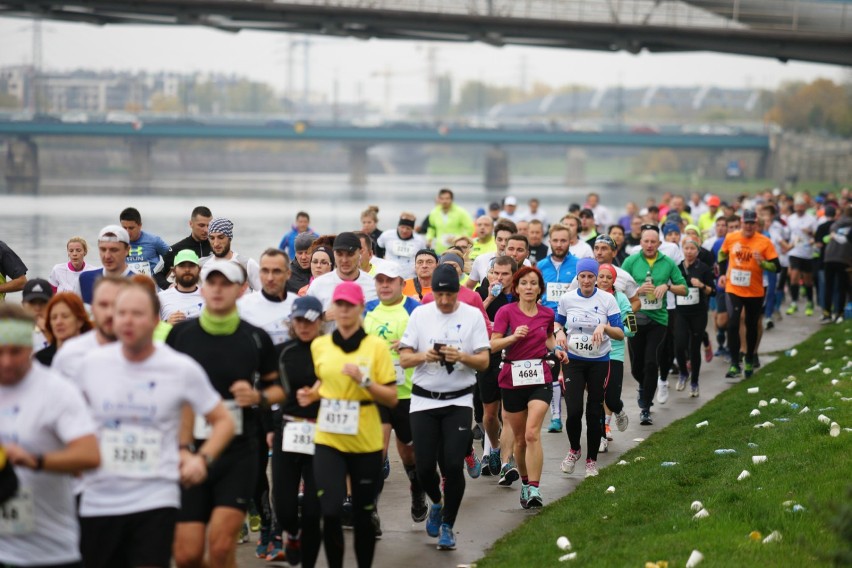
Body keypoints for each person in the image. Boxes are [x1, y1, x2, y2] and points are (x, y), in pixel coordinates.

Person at [72, 282, 235, 568]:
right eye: (122, 313)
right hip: (99, 497)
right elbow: (71, 421)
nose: (128, 320)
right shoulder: (90, 365)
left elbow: (223, 420)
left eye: (137, 313)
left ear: (154, 319)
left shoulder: (180, 367)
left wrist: (202, 459)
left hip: (156, 496)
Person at [167, 259, 284, 568]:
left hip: (239, 450)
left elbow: (278, 390)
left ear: (240, 290)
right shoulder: (180, 336)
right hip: (190, 451)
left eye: (226, 284)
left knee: (220, 550)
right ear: (203, 290)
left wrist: (258, 396)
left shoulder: (255, 337)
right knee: (187, 555)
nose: (218, 290)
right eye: (212, 283)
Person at [298, 281, 397, 567]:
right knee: (330, 511)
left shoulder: (376, 347)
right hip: (329, 438)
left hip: (365, 439)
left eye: (349, 305)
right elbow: (324, 381)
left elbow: (391, 397)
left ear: (360, 309)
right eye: (338, 305)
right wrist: (311, 394)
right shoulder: (320, 345)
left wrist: (364, 381)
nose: (343, 311)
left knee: (363, 513)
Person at [0, 303, 100, 568]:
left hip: (49, 551)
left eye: (15, 352)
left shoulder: (57, 391)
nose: (6, 361)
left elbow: (90, 454)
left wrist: (36, 460)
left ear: (31, 347)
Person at [398, 264, 490, 551]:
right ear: (433, 292)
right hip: (424, 399)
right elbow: (404, 358)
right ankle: (436, 503)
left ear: (458, 293)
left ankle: (448, 525)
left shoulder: (472, 315)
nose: (445, 300)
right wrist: (425, 356)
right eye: (439, 294)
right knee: (424, 467)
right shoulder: (421, 314)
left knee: (452, 464)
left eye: (450, 294)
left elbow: (484, 361)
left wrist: (461, 356)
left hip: (458, 400)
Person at [489, 266, 567, 508]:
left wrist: (557, 350)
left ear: (540, 288)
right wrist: (513, 338)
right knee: (521, 440)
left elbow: (547, 338)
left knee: (533, 433)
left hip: (540, 378)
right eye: (524, 283)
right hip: (512, 379)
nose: (529, 287)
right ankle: (525, 483)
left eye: (534, 283)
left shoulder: (546, 314)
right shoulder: (506, 312)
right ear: (516, 287)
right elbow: (492, 345)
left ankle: (534, 488)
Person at [363, 264, 427, 529]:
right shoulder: (367, 309)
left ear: (402, 283)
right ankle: (371, 512)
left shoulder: (415, 309)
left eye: (390, 280)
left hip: (407, 393)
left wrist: (409, 344)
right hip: (376, 391)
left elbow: (430, 343)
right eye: (380, 281)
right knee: (376, 451)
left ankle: (416, 488)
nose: (384, 285)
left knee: (408, 451)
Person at [555, 259, 624, 478]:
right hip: (573, 361)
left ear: (596, 278)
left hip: (599, 361)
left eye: (590, 276)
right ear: (577, 277)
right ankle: (574, 449)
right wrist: (559, 332)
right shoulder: (567, 298)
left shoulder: (607, 299)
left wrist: (603, 326)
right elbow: (558, 322)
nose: (586, 280)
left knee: (594, 412)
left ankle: (591, 461)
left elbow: (620, 333)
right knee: (574, 411)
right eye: (582, 276)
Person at [272, 296, 324, 567]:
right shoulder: (282, 352)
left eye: (310, 321)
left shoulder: (329, 351)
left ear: (320, 322)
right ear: (292, 322)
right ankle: (292, 533)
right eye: (299, 321)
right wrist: (270, 429)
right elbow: (271, 395)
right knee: (284, 507)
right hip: (288, 430)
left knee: (315, 510)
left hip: (322, 433)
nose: (304, 326)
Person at [620, 225, 687, 425]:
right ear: (640, 243)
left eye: (653, 242)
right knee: (636, 366)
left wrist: (667, 286)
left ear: (659, 244)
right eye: (646, 241)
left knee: (651, 362)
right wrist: (638, 291)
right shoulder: (631, 261)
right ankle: (643, 386)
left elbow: (683, 288)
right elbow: (617, 287)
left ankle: (646, 407)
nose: (649, 245)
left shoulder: (667, 263)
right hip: (634, 317)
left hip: (658, 319)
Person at [719, 210, 779, 379]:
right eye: (746, 223)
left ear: (756, 224)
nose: (749, 226)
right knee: (733, 323)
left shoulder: (764, 242)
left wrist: (763, 263)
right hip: (734, 287)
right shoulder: (731, 238)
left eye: (752, 223)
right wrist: (723, 273)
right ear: (741, 223)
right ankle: (733, 364)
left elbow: (777, 267)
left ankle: (749, 358)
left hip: (754, 290)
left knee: (752, 326)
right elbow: (722, 255)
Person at [52, 276, 124, 381]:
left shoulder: (143, 352)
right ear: (93, 309)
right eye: (103, 305)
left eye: (116, 305)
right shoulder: (68, 354)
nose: (109, 313)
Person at [594, 263, 634, 453]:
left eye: (608, 277)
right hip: (592, 353)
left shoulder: (622, 299)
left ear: (613, 280)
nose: (603, 280)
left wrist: (611, 329)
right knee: (597, 396)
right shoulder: (588, 296)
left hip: (615, 353)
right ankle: (601, 436)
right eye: (600, 276)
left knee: (611, 398)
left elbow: (632, 330)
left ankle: (617, 409)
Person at [307, 232, 377, 325]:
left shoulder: (373, 285)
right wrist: (322, 316)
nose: (344, 260)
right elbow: (305, 319)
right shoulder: (318, 285)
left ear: (360, 253)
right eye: (339, 254)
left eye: (350, 254)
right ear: (334, 254)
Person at [674, 238, 715, 395]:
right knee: (679, 345)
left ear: (697, 252)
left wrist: (702, 286)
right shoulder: (677, 268)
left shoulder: (703, 268)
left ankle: (695, 382)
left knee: (694, 348)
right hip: (681, 313)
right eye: (687, 248)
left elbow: (714, 291)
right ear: (682, 250)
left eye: (693, 249)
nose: (689, 251)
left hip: (698, 313)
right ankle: (684, 373)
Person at [238, 248, 295, 346]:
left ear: (288, 274)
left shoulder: (296, 304)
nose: (270, 278)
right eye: (265, 271)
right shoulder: (242, 306)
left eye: (276, 271)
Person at [155, 205, 213, 290]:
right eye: (201, 225)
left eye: (209, 225)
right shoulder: (175, 249)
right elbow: (157, 274)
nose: (206, 230)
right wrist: (168, 286)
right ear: (191, 224)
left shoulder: (216, 248)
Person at [76, 225, 135, 305]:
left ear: (127, 250)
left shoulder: (140, 283)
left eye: (114, 250)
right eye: (103, 249)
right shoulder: (85, 279)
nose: (107, 256)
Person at [203, 217, 261, 292]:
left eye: (221, 237)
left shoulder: (247, 264)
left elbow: (265, 294)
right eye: (212, 238)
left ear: (229, 238)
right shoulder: (202, 265)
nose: (216, 243)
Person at [34, 292, 93, 366]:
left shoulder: (94, 355)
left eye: (65, 316)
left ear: (80, 321)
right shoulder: (40, 360)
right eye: (54, 318)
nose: (58, 322)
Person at [785, 196, 818, 316]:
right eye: (797, 208)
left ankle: (810, 302)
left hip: (807, 252)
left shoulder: (811, 219)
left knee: (807, 280)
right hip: (794, 251)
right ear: (794, 208)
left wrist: (809, 233)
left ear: (805, 207)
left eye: (801, 208)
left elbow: (816, 235)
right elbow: (787, 233)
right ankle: (794, 302)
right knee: (794, 276)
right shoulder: (791, 219)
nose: (799, 210)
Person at [120, 207, 170, 277]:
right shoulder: (118, 243)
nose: (127, 232)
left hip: (149, 285)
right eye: (124, 228)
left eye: (131, 228)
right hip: (126, 285)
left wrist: (163, 279)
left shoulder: (154, 241)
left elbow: (173, 258)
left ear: (140, 226)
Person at [158, 249, 204, 324]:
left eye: (191, 266)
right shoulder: (161, 298)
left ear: (199, 270)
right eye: (182, 266)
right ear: (173, 271)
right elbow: (149, 330)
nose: (187, 270)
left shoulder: (209, 297)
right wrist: (167, 323)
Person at [823, 204, 851, 323]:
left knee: (828, 286)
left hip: (829, 257)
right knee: (841, 287)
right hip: (844, 259)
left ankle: (827, 314)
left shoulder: (836, 224)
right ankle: (839, 313)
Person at [377, 212, 426, 280]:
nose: (404, 231)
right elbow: (378, 246)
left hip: (410, 277)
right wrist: (381, 261)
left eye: (408, 228)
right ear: (398, 226)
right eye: (402, 227)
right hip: (390, 274)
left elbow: (424, 256)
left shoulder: (419, 240)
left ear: (412, 229)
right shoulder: (387, 235)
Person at [425, 188, 475, 255]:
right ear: (439, 199)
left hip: (456, 249)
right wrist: (429, 239)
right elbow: (431, 228)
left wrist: (458, 238)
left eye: (447, 198)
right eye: (442, 199)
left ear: (451, 199)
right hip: (440, 250)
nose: (444, 201)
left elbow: (470, 228)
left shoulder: (461, 212)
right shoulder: (434, 212)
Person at [21, 278, 54, 352]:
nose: (37, 308)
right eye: (32, 302)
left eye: (43, 302)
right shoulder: (13, 333)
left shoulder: (61, 331)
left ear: (52, 304)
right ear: (23, 304)